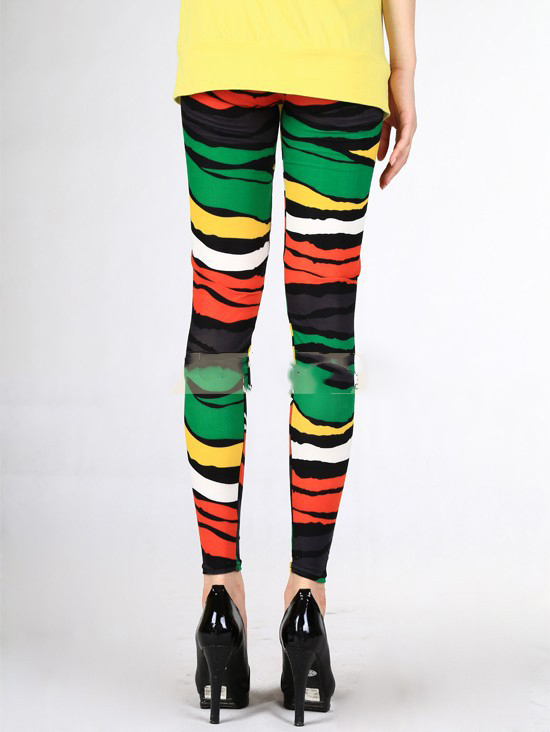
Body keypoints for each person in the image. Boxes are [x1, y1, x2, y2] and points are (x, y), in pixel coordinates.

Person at [173, 0, 417, 724]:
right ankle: (306, 601)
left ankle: (220, 600)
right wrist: (403, 66)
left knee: (219, 331)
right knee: (323, 343)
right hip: (338, 60)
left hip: (224, 47)